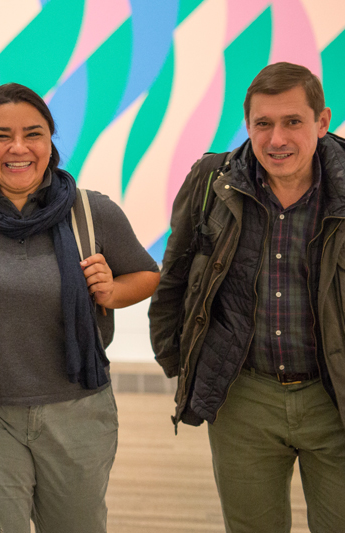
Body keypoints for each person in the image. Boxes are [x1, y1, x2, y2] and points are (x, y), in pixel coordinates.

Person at [0, 83, 160, 533]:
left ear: (50, 142)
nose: (18, 147)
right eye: (1, 135)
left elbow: (146, 274)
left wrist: (111, 292)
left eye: (33, 133)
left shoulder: (91, 212)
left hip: (78, 409)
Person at [149, 62, 345, 532]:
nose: (277, 139)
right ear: (248, 125)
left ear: (322, 121)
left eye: (293, 121)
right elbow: (174, 277)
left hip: (335, 397)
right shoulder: (212, 181)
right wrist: (180, 363)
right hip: (244, 399)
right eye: (263, 123)